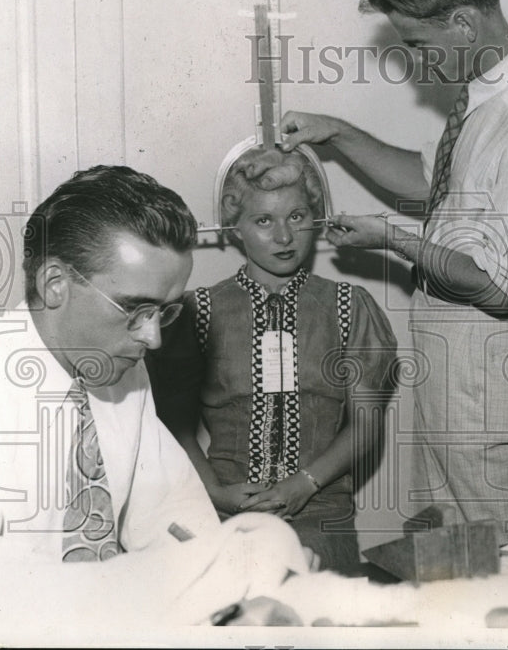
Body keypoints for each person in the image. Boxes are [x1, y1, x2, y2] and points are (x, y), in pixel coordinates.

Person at [279, 0, 508, 541]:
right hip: (452, 353)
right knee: (447, 542)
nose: (414, 62)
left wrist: (392, 237)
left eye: (417, 44)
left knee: (503, 550)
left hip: (487, 358)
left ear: (463, 24)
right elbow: (432, 186)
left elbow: (497, 289)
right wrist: (336, 133)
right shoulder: (483, 99)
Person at [0, 165, 313, 633]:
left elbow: (168, 512)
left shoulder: (120, 373)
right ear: (55, 285)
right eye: (135, 309)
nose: (152, 338)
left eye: (164, 311)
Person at [148, 146, 397, 571]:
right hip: (226, 513)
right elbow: (174, 427)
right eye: (263, 220)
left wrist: (305, 483)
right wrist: (216, 492)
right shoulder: (195, 312)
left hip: (321, 512)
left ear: (315, 219)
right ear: (234, 227)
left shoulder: (349, 306)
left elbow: (367, 425)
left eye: (297, 217)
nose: (283, 237)